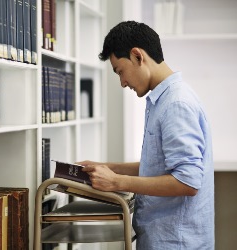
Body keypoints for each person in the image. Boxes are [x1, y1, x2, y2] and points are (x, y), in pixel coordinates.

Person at [78, 21, 214, 249]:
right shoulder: (163, 99)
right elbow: (159, 166)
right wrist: (108, 167)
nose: (122, 82)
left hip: (176, 243)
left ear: (137, 56)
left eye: (120, 71)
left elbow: (187, 181)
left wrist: (116, 182)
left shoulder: (175, 104)